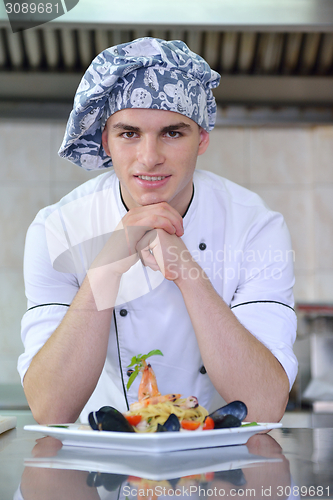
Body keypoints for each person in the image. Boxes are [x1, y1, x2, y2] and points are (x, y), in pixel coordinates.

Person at [18, 38, 298, 425]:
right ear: (106, 141)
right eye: (129, 133)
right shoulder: (58, 229)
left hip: (223, 467)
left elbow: (264, 405)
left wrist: (188, 273)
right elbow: (50, 408)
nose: (149, 157)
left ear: (201, 139)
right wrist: (108, 266)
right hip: (98, 469)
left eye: (172, 132)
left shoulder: (255, 227)